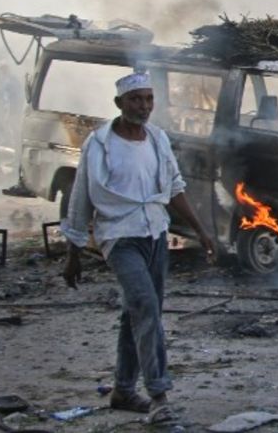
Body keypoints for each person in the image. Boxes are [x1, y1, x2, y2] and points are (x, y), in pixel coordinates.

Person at [62, 73, 218, 423]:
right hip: (119, 237)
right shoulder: (100, 143)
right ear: (119, 103)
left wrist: (201, 232)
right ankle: (160, 395)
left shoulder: (158, 139)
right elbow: (81, 197)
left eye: (148, 99)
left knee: (138, 312)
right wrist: (73, 253)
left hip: (154, 233)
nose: (144, 107)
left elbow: (175, 188)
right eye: (136, 100)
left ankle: (123, 390)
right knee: (145, 306)